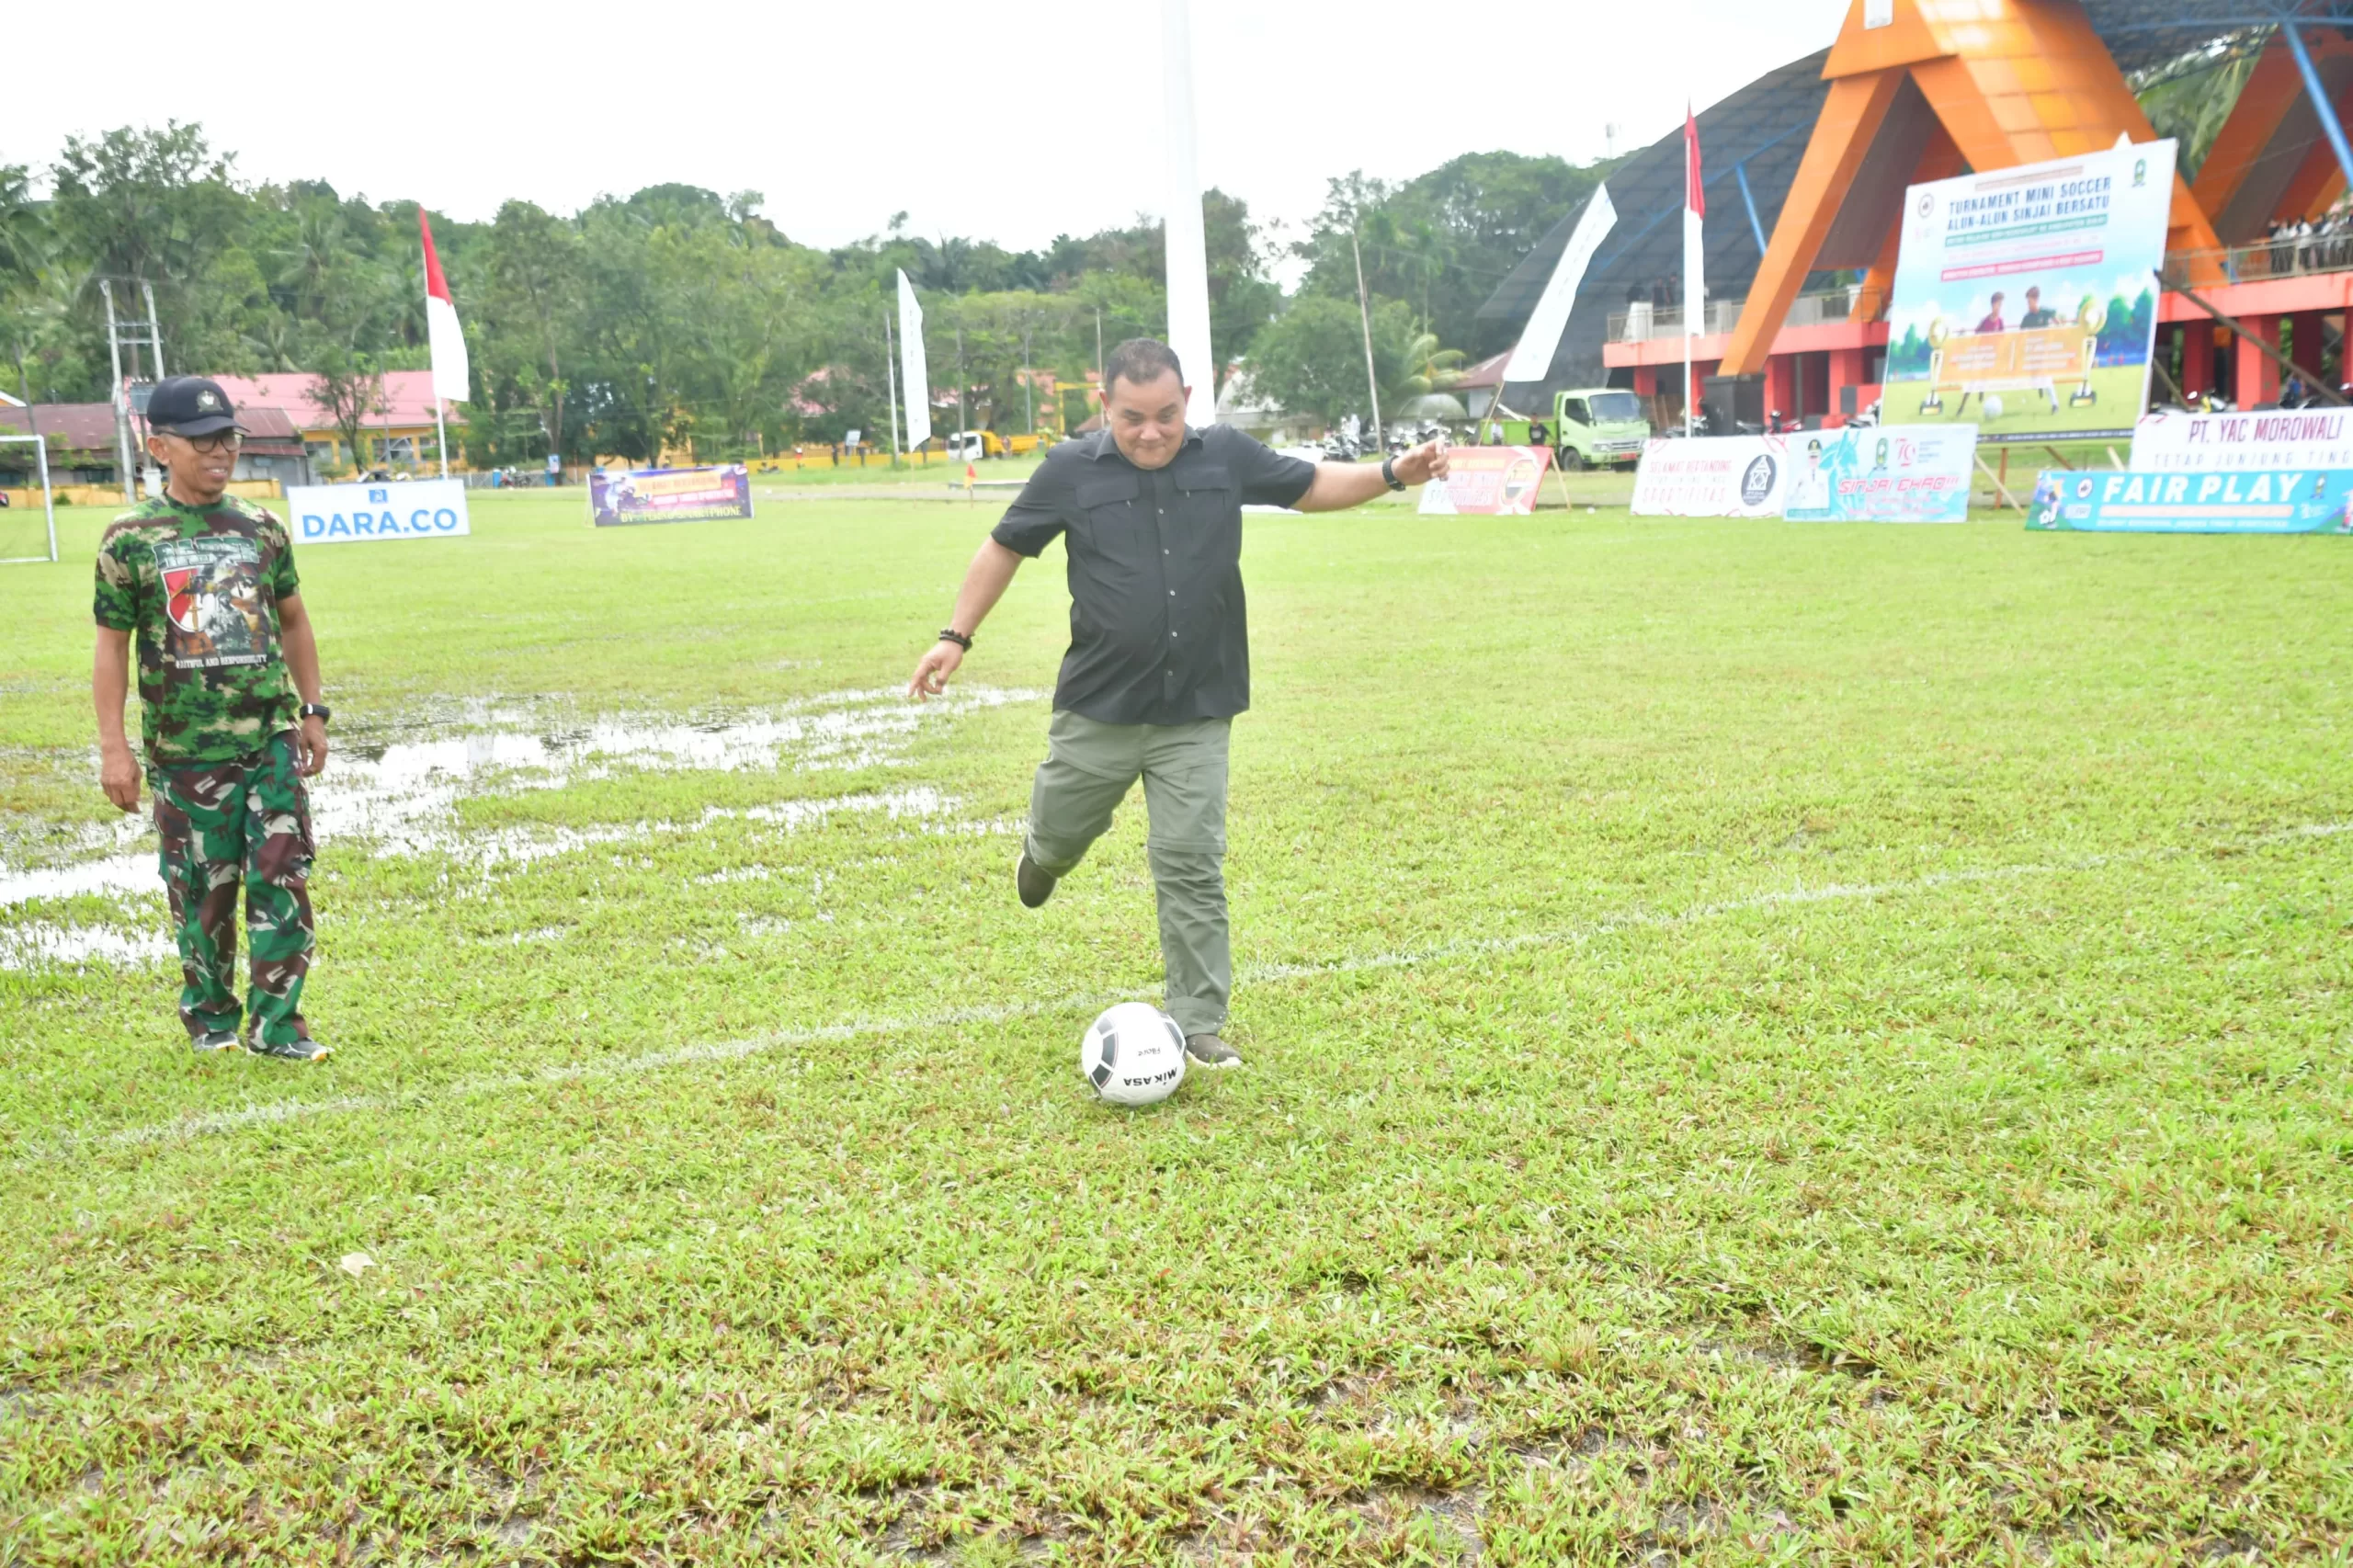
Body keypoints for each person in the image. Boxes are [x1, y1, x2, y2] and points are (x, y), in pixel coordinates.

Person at [906, 338, 1449, 1070]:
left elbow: (1309, 484)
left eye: (1165, 415)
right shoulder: (1069, 470)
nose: (1151, 432)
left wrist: (1391, 473)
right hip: (1099, 706)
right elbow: (1004, 546)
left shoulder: (1223, 455)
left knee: (1191, 862)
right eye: (1132, 418)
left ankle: (1196, 1021)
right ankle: (1044, 852)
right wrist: (954, 638)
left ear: (1187, 400)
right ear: (1104, 407)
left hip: (1196, 707)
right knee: (1065, 830)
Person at [93, 375, 334, 1061]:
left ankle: (278, 1025)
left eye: (226, 437)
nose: (218, 451)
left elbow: (293, 619)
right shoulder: (129, 539)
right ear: (160, 445)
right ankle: (212, 1018)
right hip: (186, 751)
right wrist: (115, 750)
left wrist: (312, 710)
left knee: (282, 874)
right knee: (203, 893)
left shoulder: (261, 528)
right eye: (201, 442)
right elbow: (111, 649)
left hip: (270, 738)